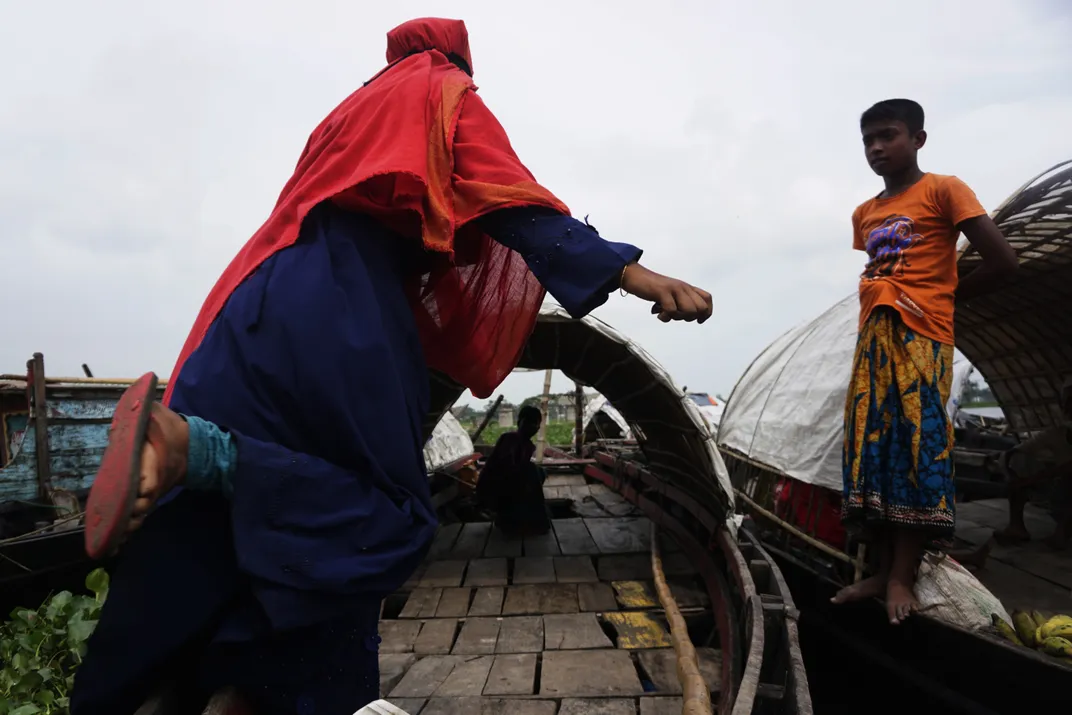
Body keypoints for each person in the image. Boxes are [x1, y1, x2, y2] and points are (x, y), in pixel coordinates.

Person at [71, 17, 712, 715]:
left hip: (244, 309)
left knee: (193, 532)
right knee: (386, 512)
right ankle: (201, 456)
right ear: (457, 60)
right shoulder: (440, 91)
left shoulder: (347, 115)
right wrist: (630, 272)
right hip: (342, 309)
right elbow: (510, 200)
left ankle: (164, 614)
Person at [831, 98, 1018, 624]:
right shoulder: (864, 213)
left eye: (888, 135)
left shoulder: (943, 189)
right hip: (875, 337)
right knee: (874, 450)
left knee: (917, 451)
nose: (876, 148)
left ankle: (901, 577)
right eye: (868, 141)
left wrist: (946, 298)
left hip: (922, 337)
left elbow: (1004, 262)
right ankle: (882, 570)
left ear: (918, 139)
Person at [996, 378, 1072, 550]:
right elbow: (1017, 451)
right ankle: (1017, 528)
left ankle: (1061, 534)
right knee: (1019, 474)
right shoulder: (1057, 434)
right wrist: (1012, 471)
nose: (1069, 406)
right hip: (1061, 488)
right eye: (1067, 401)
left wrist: (1035, 478)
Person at [476, 406, 550, 537]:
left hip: (507, 487)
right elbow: (506, 469)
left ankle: (517, 517)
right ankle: (513, 517)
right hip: (492, 490)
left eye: (536, 423)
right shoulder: (509, 439)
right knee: (532, 470)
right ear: (519, 422)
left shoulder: (527, 445)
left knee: (540, 471)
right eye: (528, 422)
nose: (533, 426)